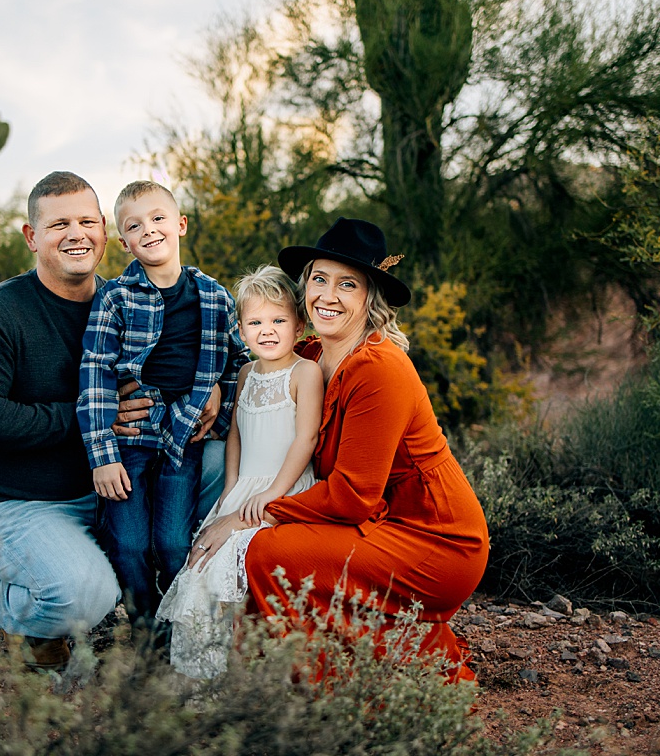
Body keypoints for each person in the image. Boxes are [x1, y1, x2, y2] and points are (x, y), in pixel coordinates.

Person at [0, 171, 225, 671]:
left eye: (86, 222)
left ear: (105, 233)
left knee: (222, 458)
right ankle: (21, 613)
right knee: (85, 595)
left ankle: (206, 609)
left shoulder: (127, 300)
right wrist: (93, 417)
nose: (76, 234)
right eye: (59, 225)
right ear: (32, 237)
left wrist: (214, 385)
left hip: (123, 481)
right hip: (30, 503)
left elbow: (188, 355)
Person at [190, 217, 490, 682]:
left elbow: (352, 496)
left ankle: (345, 683)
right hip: (372, 524)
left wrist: (248, 516)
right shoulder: (310, 355)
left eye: (347, 284)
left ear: (370, 297)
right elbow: (254, 363)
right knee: (261, 537)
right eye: (319, 279)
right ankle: (256, 672)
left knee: (266, 551)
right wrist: (210, 386)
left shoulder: (379, 369)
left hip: (433, 539)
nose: (327, 296)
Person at [77, 180, 249, 630]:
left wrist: (219, 402)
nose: (149, 230)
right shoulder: (115, 297)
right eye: (134, 226)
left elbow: (239, 361)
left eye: (158, 218)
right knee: (129, 544)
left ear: (181, 224)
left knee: (173, 544)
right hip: (130, 440)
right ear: (124, 242)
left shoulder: (213, 296)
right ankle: (144, 628)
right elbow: (95, 373)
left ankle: (182, 629)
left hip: (183, 436)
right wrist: (102, 456)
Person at [157, 266, 322, 678]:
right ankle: (202, 675)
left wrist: (274, 494)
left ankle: (243, 670)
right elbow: (235, 434)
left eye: (278, 320)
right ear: (242, 330)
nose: (267, 331)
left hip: (284, 488)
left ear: (299, 326)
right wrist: (230, 489)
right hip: (243, 489)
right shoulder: (246, 373)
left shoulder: (304, 372)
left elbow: (306, 440)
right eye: (256, 322)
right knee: (201, 563)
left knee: (233, 569)